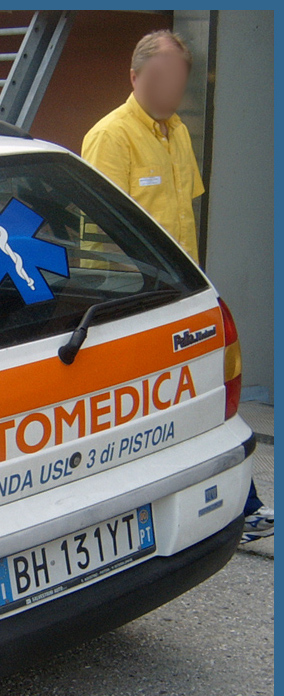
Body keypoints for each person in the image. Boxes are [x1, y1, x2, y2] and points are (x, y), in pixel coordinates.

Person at [82, 30, 273, 543]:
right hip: (135, 303)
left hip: (183, 298)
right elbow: (98, 236)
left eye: (179, 81)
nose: (171, 92)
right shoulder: (112, 135)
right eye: (162, 79)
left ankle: (236, 504)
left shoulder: (178, 133)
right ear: (135, 76)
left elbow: (186, 213)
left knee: (204, 397)